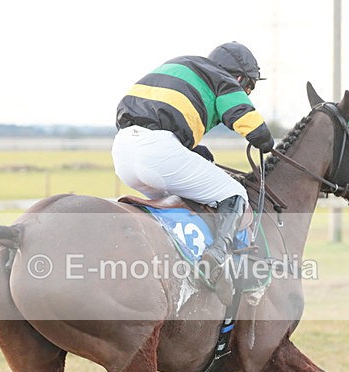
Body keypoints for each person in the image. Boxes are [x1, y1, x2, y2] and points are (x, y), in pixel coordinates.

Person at [112, 42, 274, 303]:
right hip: (157, 152)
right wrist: (265, 140)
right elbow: (247, 120)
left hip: (122, 151)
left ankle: (173, 264)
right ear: (240, 77)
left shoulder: (180, 65)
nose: (247, 93)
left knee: (178, 204)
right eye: (249, 87)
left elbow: (164, 116)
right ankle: (217, 256)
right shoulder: (222, 78)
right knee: (234, 192)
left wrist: (193, 151)